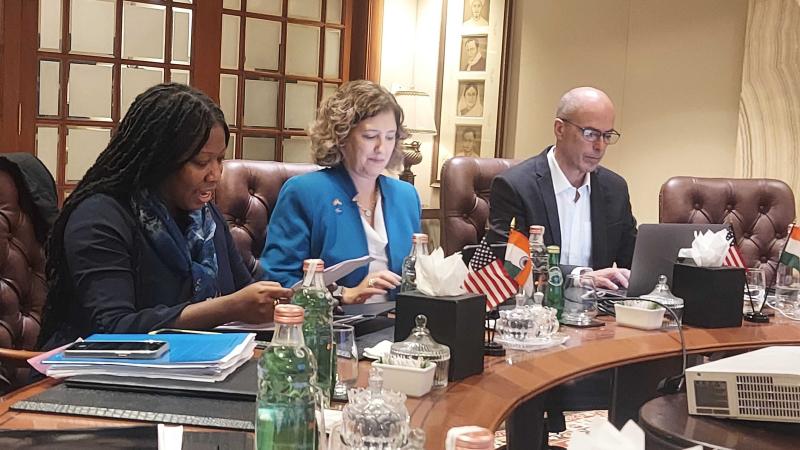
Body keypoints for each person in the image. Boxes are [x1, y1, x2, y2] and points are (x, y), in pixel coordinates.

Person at [38, 83, 292, 349]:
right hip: (96, 377)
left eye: (220, 160)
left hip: (198, 368)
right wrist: (229, 308)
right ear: (160, 159)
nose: (215, 175)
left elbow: (245, 289)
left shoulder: (207, 219)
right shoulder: (100, 218)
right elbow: (113, 328)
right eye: (201, 162)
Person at [260, 80, 422, 304]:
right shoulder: (304, 192)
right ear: (341, 137)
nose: (381, 148)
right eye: (370, 136)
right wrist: (344, 294)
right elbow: (278, 282)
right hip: (334, 329)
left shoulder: (406, 196)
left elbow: (416, 276)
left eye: (390, 136)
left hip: (397, 328)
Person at [487, 86, 636, 290]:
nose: (600, 146)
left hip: (599, 314)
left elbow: (633, 260)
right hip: (536, 309)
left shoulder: (615, 189)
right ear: (559, 129)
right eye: (591, 134)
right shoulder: (515, 187)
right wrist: (578, 277)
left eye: (607, 136)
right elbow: (510, 263)